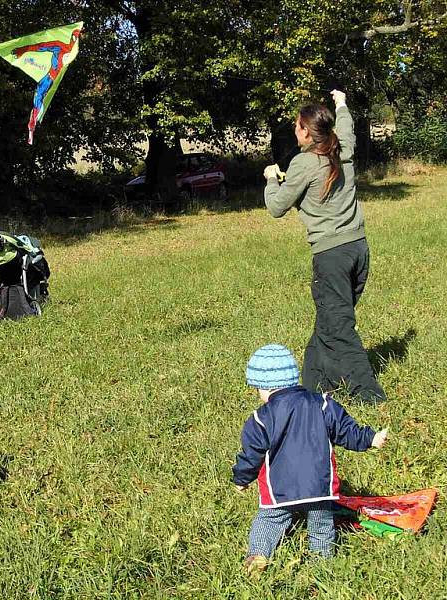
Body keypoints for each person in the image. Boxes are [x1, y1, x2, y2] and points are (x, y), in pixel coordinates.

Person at [263, 90, 386, 403]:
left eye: (296, 126)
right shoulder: (341, 148)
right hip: (359, 250)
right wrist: (342, 103)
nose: (294, 130)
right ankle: (314, 386)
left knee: (339, 326)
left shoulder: (304, 163)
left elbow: (277, 207)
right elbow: (346, 128)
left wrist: (271, 179)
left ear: (306, 131)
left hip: (331, 257)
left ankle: (368, 394)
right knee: (329, 322)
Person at [233, 344, 388, 576]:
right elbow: (346, 430)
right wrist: (370, 438)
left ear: (265, 387)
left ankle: (258, 555)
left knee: (268, 520)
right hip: (319, 486)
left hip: (279, 490)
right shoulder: (323, 404)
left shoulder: (260, 418)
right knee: (321, 525)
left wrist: (241, 478)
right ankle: (322, 565)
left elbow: (251, 454)